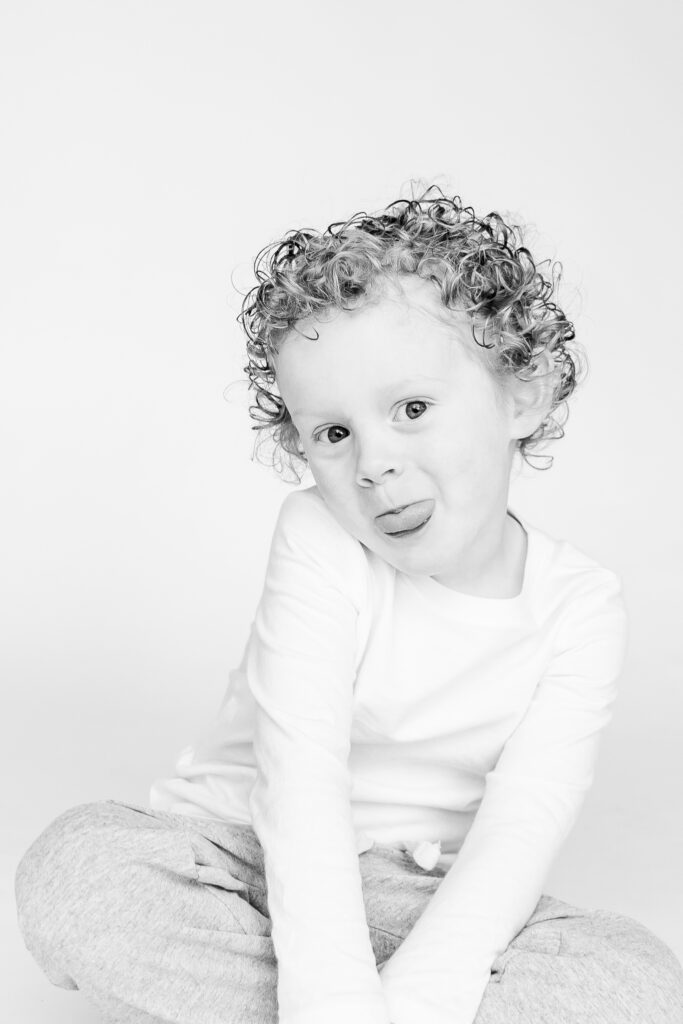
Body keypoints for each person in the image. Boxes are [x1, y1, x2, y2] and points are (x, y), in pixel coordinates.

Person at [15, 187, 683, 1024]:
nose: (372, 464)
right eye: (332, 433)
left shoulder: (579, 605)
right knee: (77, 871)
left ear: (524, 394)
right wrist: (333, 1002)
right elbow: (299, 781)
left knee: (631, 980)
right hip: (239, 853)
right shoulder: (319, 535)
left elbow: (521, 826)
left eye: (411, 410)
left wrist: (420, 992)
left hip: (419, 892)